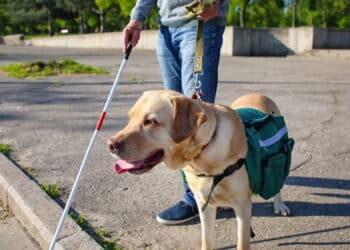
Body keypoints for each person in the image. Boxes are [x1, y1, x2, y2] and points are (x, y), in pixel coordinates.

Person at [122, 0, 229, 225]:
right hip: (166, 26)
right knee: (175, 117)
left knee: (195, 115)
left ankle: (199, 197)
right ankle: (210, 189)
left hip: (199, 20)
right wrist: (137, 17)